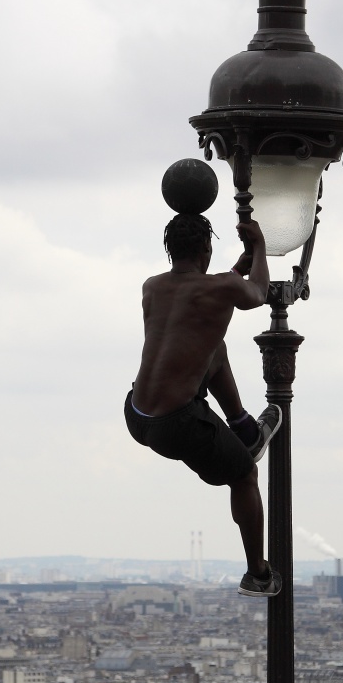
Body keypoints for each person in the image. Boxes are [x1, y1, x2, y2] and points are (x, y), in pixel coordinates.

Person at [124, 212, 282, 597]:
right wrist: (259, 247)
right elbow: (257, 294)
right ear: (206, 249)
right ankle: (258, 573)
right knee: (244, 477)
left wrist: (232, 273)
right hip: (177, 422)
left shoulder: (152, 287)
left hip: (136, 414)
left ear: (170, 250)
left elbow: (199, 311)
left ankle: (245, 429)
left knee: (215, 347)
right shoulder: (221, 287)